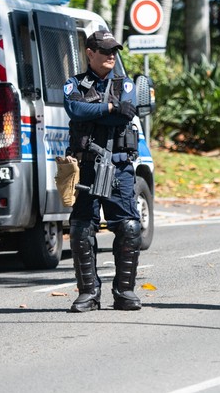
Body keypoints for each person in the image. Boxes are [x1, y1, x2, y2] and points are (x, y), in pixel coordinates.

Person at [63, 30, 142, 312]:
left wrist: (96, 108)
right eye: (105, 50)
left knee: (129, 227)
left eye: (114, 51)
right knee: (82, 228)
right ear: (89, 53)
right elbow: (74, 109)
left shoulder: (126, 84)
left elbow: (126, 113)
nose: (111, 55)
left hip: (119, 166)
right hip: (84, 166)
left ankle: (124, 292)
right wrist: (108, 106)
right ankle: (88, 293)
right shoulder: (74, 84)